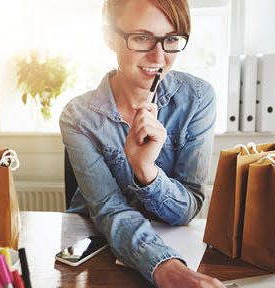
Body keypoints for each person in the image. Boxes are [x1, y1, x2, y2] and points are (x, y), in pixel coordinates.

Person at [59, 0, 223, 287]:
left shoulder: (197, 99)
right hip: (96, 251)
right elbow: (109, 209)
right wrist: (166, 268)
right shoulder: (79, 117)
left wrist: (146, 170)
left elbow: (188, 208)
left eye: (171, 39)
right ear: (110, 37)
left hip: (178, 245)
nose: (159, 57)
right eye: (142, 37)